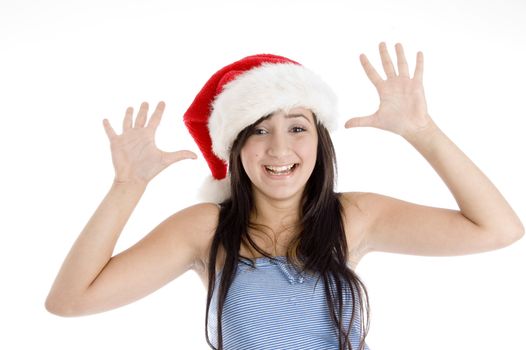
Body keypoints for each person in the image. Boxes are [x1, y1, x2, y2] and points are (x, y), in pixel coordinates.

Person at [45, 42, 524, 350]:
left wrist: (422, 131)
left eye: (297, 127)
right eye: (257, 130)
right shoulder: (205, 229)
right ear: (235, 149)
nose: (279, 149)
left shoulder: (354, 217)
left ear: (319, 139)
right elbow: (69, 302)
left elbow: (499, 230)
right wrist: (127, 187)